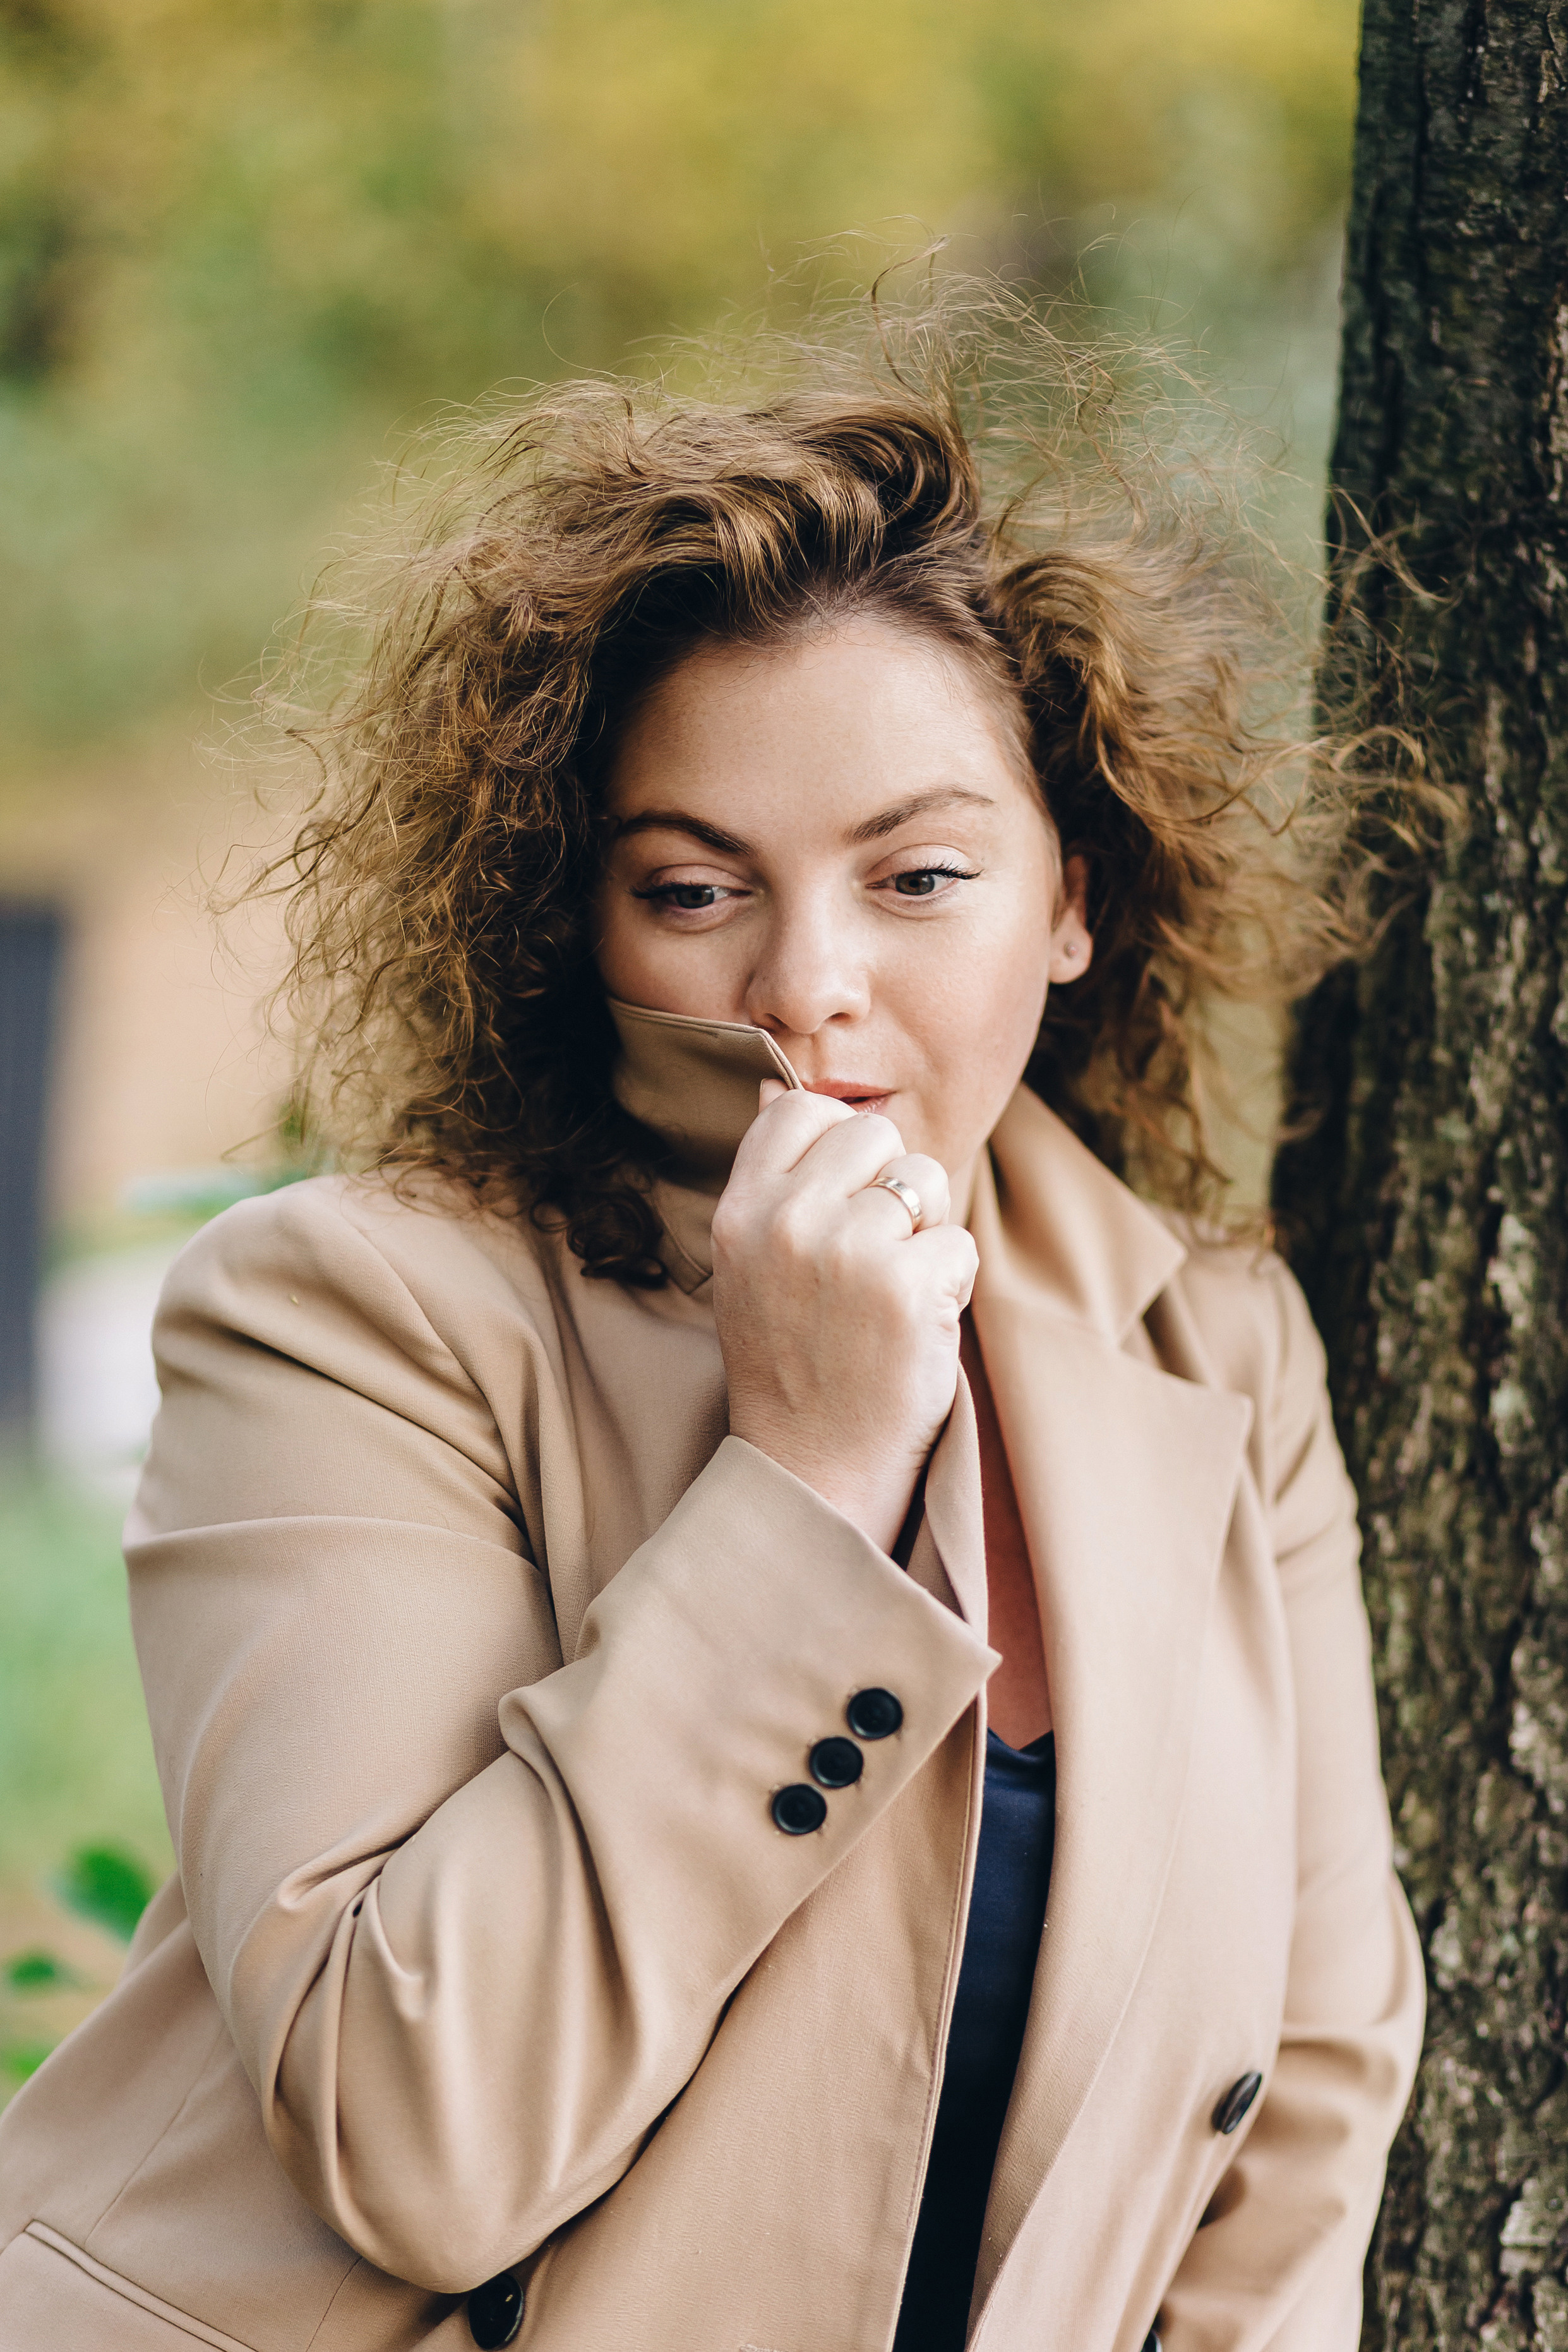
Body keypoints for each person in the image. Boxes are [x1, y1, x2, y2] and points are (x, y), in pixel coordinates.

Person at [0, 308, 1425, 2352]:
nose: (810, 983)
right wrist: (806, 1472)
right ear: (575, 915)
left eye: (919, 875)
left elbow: (1295, 2095)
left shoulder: (1211, 1351)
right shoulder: (353, 1315)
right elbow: (418, 2130)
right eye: (693, 889)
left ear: (1075, 896)